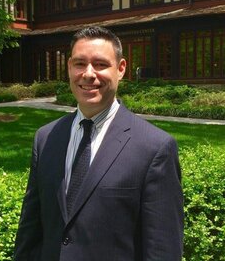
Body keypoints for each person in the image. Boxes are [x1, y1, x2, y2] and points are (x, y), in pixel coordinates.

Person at [14, 26, 184, 261]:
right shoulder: (46, 138)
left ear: (121, 69)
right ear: (70, 67)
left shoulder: (155, 148)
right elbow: (30, 233)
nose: (89, 74)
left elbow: (162, 250)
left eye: (101, 64)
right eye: (80, 64)